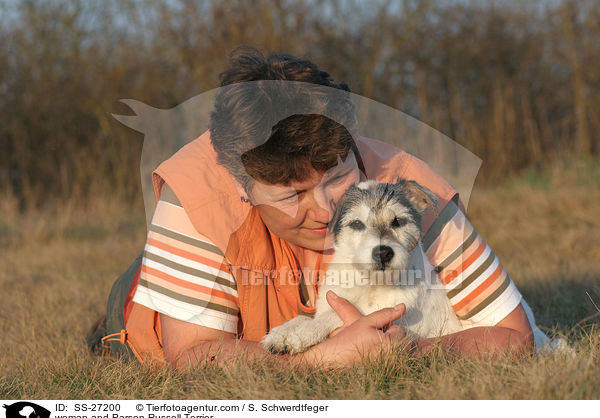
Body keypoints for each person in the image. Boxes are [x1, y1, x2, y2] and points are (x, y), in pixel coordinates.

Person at [92, 47, 534, 370]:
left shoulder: (410, 190)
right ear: (241, 186)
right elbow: (191, 357)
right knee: (138, 300)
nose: (325, 211)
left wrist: (409, 350)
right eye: (291, 196)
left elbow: (517, 338)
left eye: (338, 178)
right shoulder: (196, 194)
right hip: (149, 317)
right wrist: (322, 360)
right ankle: (137, 293)